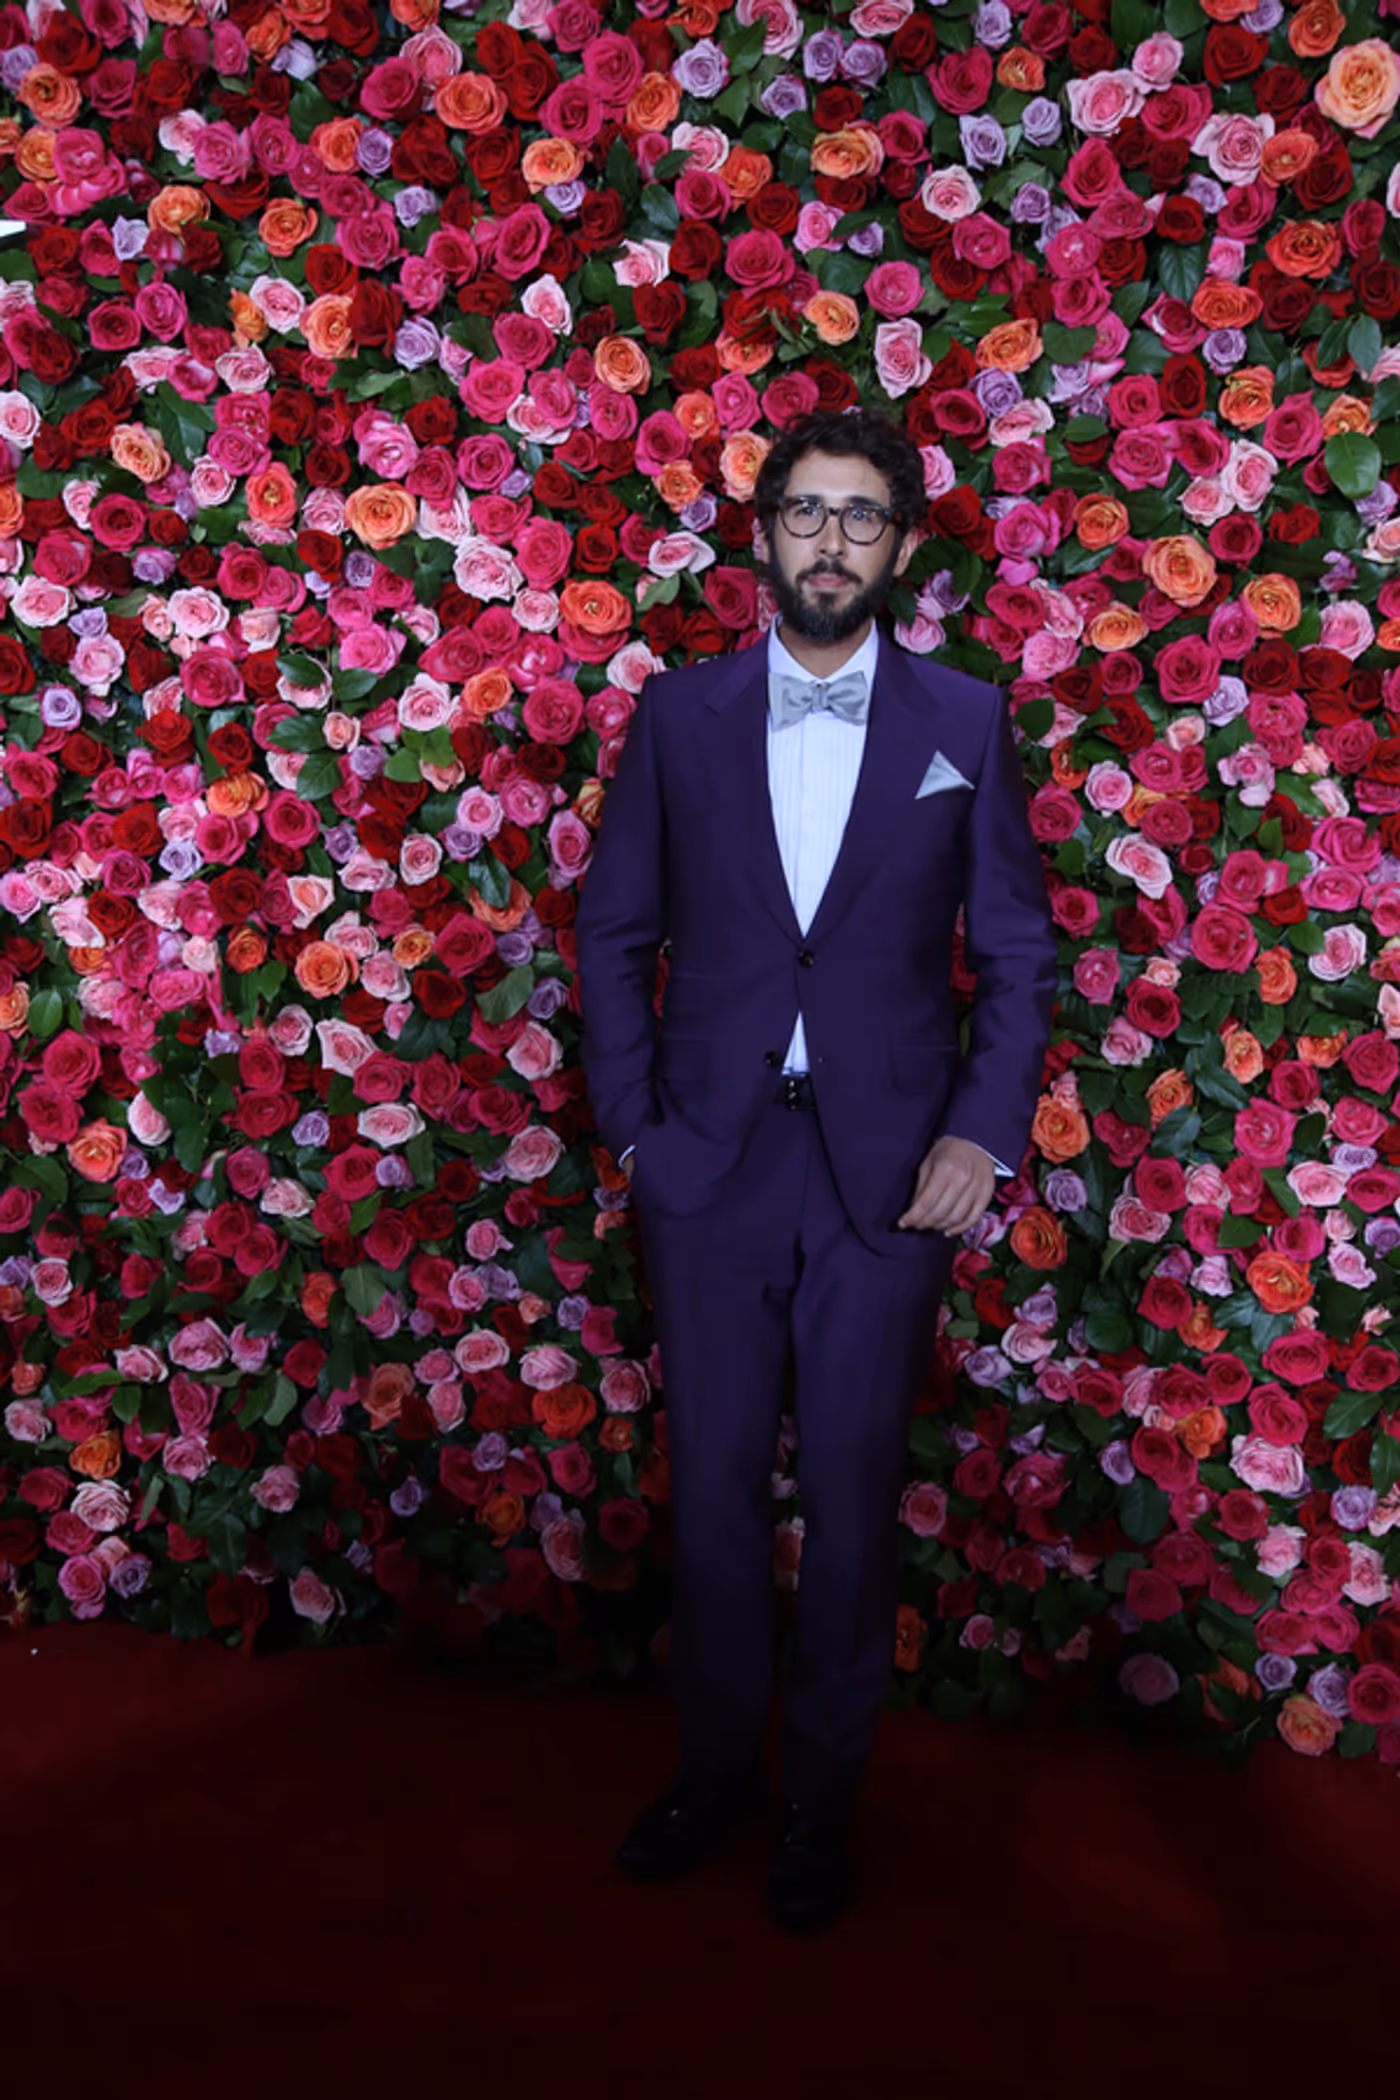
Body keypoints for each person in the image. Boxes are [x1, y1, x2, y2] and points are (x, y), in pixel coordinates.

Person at [574, 407, 1057, 1932]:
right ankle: (716, 1773)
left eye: (861, 516)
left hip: (890, 1177)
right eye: (806, 513)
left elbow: (1022, 956)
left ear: (901, 547)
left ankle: (819, 1809)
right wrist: (639, 1132)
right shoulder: (678, 717)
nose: (831, 541)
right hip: (709, 1170)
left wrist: (980, 1134)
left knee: (851, 1502)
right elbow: (612, 937)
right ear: (764, 538)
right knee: (712, 1494)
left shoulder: (965, 724)